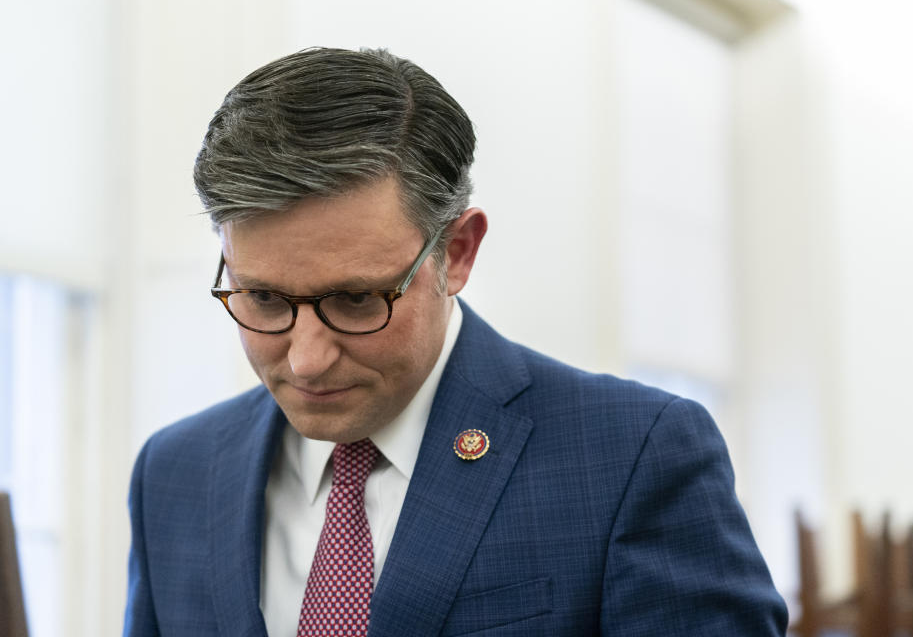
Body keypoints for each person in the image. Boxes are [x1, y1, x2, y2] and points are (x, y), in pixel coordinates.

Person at [124, 47, 787, 636]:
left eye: (357, 300)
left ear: (458, 252)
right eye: (264, 298)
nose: (306, 359)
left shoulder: (632, 458)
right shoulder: (175, 474)